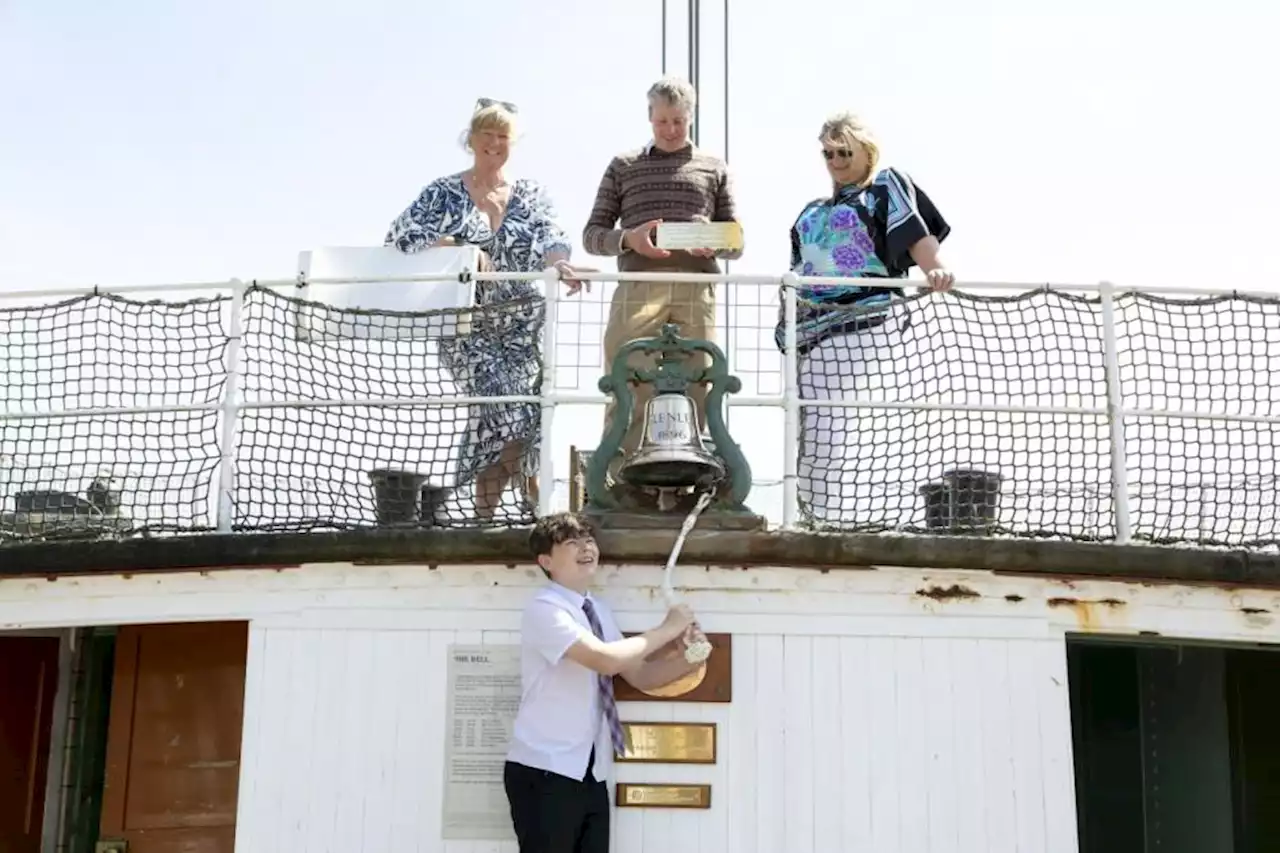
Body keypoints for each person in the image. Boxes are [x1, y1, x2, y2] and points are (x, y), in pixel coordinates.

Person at [384, 98, 589, 523]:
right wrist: (460, 248)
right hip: (465, 324)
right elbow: (401, 234)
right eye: (487, 134)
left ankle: (505, 514)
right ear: (471, 139)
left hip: (520, 322)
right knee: (501, 410)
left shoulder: (530, 193)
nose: (495, 143)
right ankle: (505, 511)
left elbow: (552, 236)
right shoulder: (443, 192)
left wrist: (559, 264)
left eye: (503, 136)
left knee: (526, 417)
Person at [773, 111, 955, 524]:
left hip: (863, 314)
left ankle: (824, 517)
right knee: (809, 416)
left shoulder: (884, 187)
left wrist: (935, 268)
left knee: (824, 411)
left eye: (844, 152)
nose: (835, 161)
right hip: (810, 325)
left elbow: (913, 231)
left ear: (866, 151)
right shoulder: (813, 209)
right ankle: (809, 512)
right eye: (828, 154)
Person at [505, 512, 701, 852]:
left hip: (591, 773)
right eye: (571, 542)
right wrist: (668, 628)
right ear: (545, 561)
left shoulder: (597, 610)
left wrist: (691, 657)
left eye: (589, 540)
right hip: (546, 770)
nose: (586, 548)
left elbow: (639, 673)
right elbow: (605, 660)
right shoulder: (544, 609)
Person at [582, 76, 743, 474]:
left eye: (678, 121)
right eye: (662, 122)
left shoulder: (714, 166)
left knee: (699, 385)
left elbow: (737, 240)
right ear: (649, 118)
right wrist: (628, 240)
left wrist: (716, 244)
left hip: (696, 288)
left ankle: (688, 482)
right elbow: (592, 235)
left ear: (690, 117)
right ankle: (618, 481)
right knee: (627, 380)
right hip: (638, 285)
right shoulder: (623, 166)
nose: (671, 130)